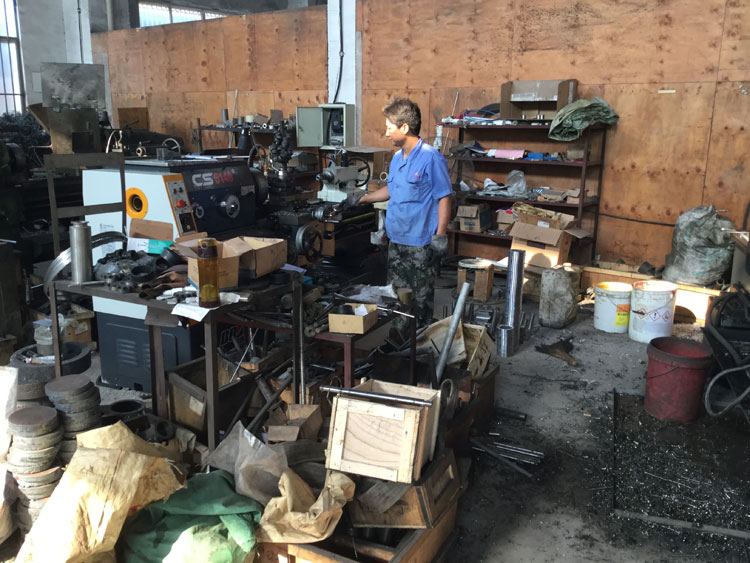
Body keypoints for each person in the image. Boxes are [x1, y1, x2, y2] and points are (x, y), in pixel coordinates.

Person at [347, 98, 452, 334]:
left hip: (420, 244)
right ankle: (399, 341)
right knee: (395, 297)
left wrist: (440, 235)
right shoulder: (397, 158)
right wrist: (364, 198)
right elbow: (391, 190)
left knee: (420, 299)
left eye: (389, 128)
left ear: (404, 127)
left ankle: (421, 343)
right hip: (396, 241)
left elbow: (444, 197)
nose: (386, 133)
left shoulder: (431, 158)